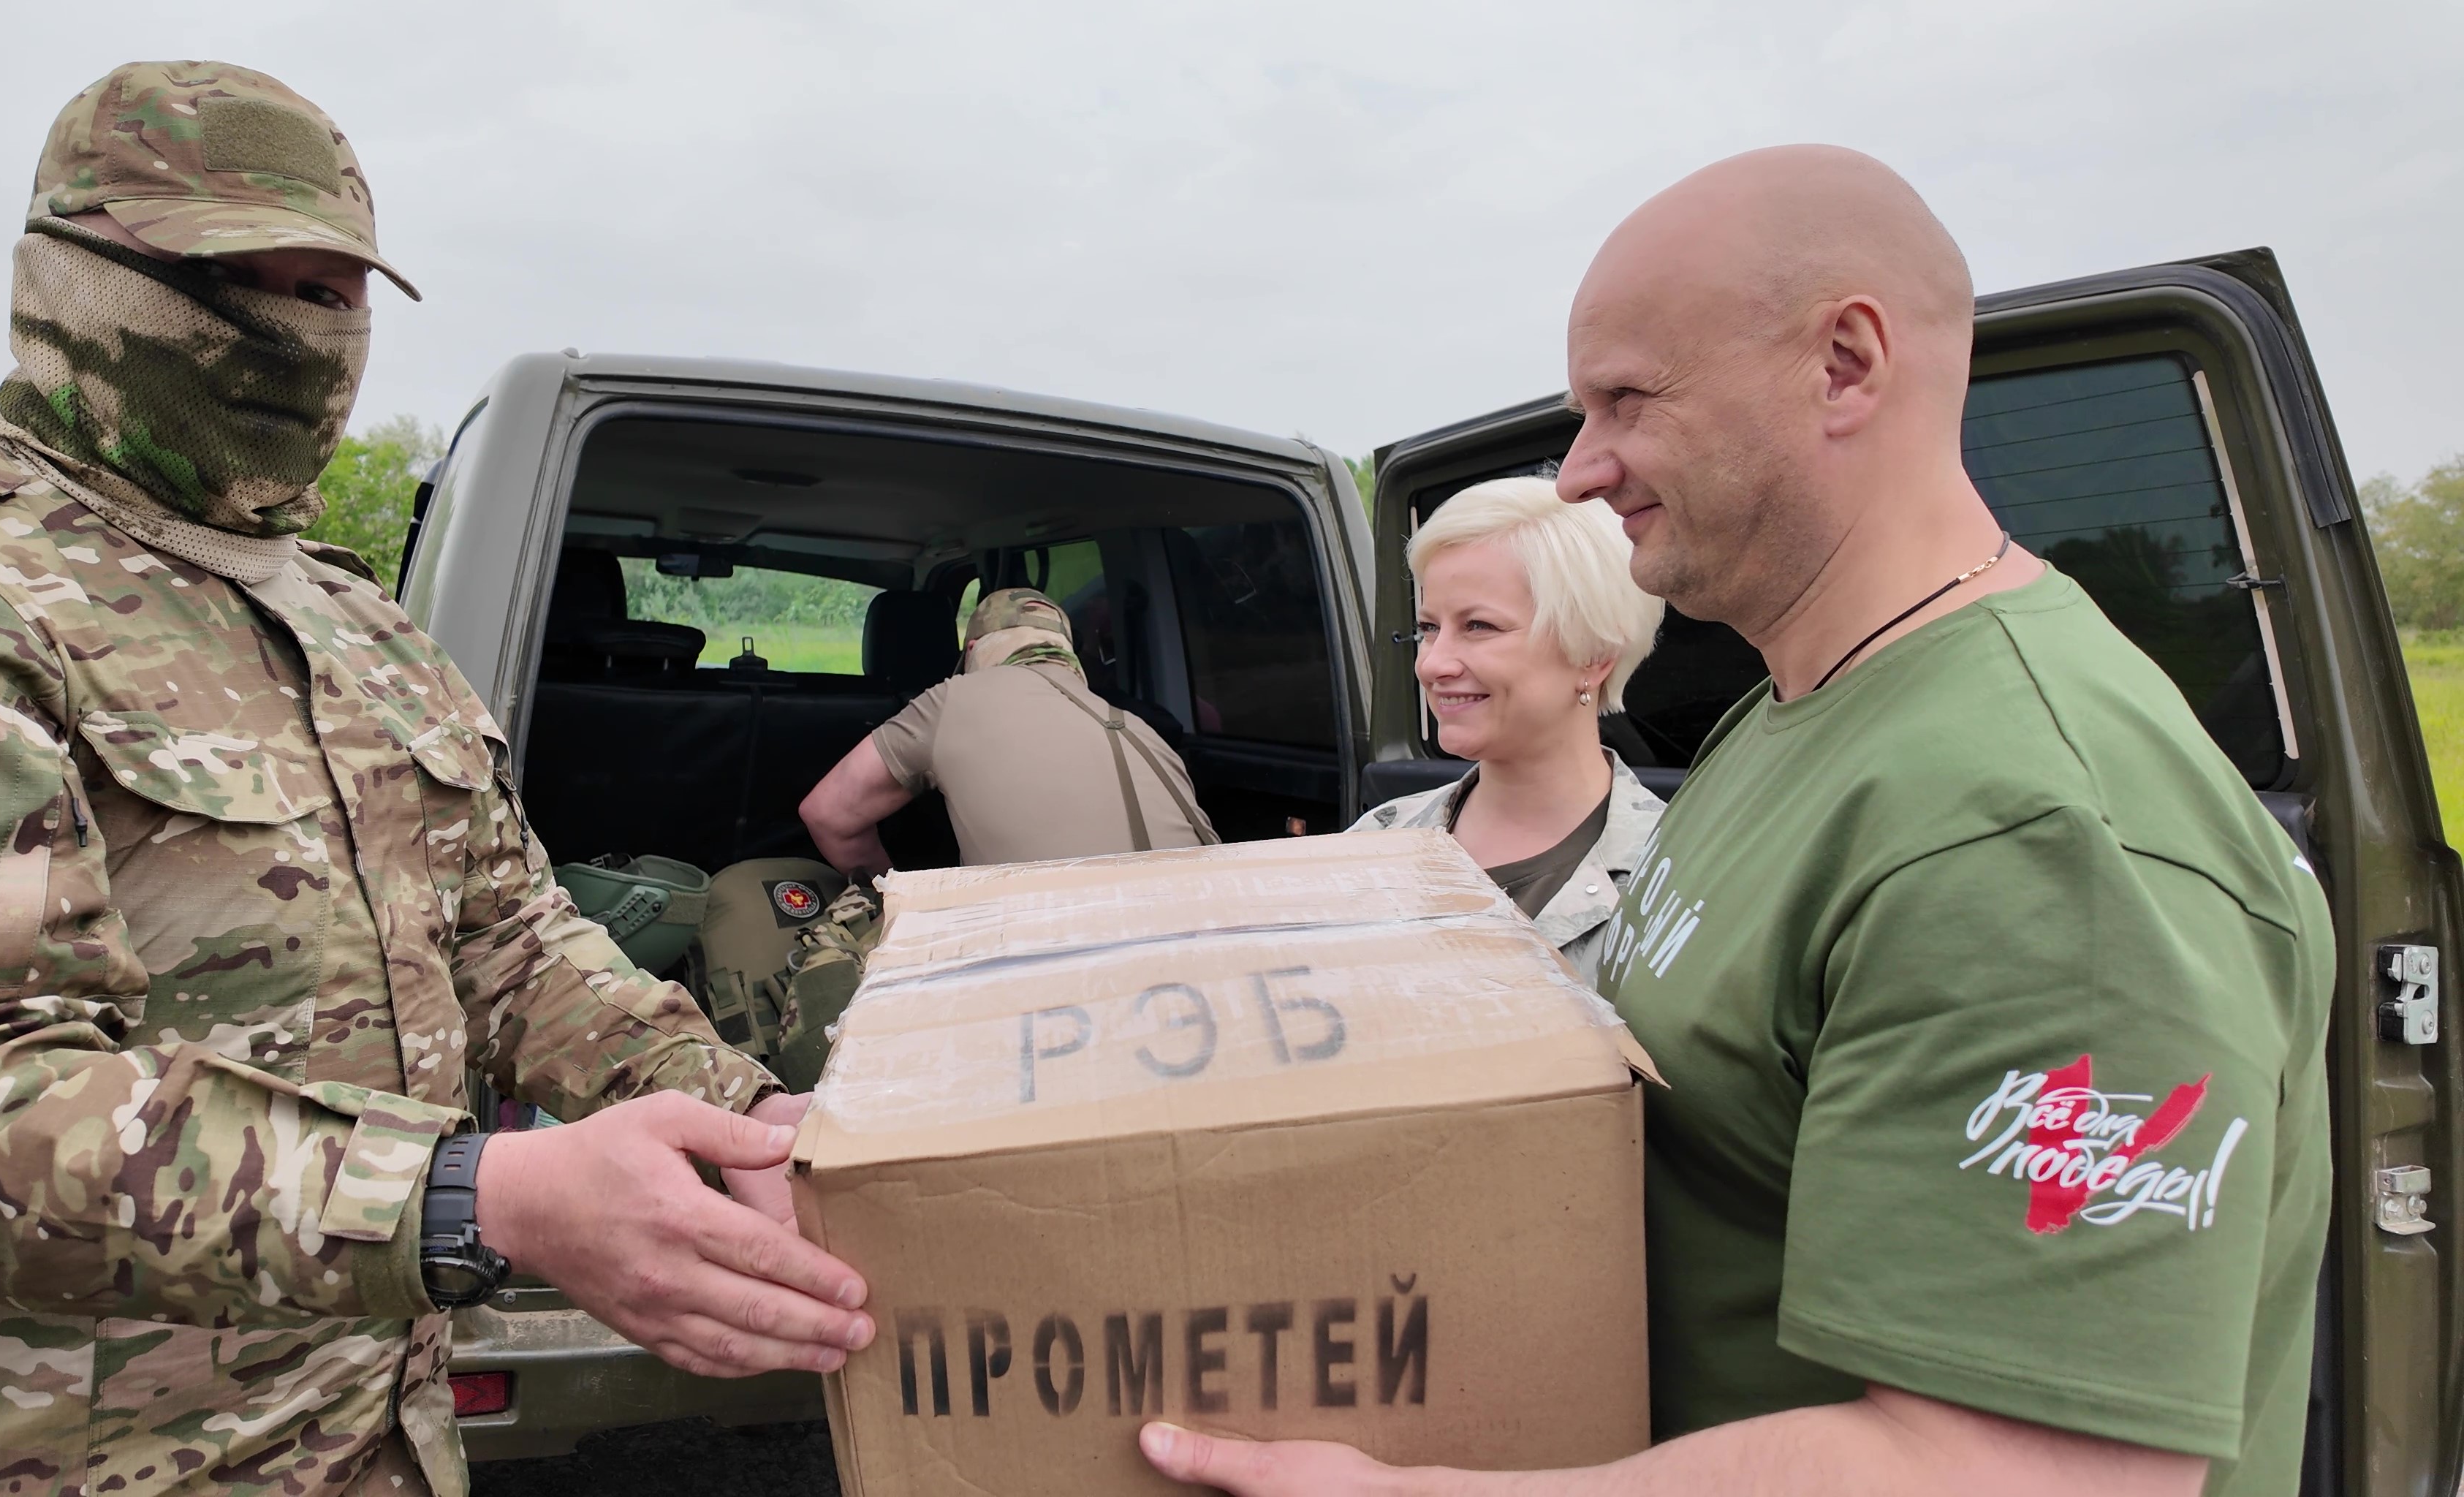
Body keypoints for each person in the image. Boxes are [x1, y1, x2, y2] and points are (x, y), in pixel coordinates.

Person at [0, 61, 869, 1497]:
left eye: (333, 291)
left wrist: (739, 1109)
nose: (301, 333)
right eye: (242, 281)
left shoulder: (362, 631)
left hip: (368, 1442)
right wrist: (476, 1198)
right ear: (73, 279)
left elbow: (508, 942)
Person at [1140, 145, 2331, 1497]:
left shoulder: (2037, 826)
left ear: (1844, 365)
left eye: (1626, 400)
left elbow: (2023, 1474)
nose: (1579, 473)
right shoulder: (1785, 718)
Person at [1350, 474, 1665, 981]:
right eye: (1429, 628)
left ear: (1594, 653)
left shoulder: (1675, 875)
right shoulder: (1374, 842)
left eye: (1479, 626)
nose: (1433, 664)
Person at [800, 586, 1217, 870]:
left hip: (1046, 956)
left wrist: (893, 909)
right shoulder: (1143, 731)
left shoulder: (956, 698)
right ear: (1066, 653)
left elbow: (827, 814)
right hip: (1212, 944)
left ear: (973, 651)